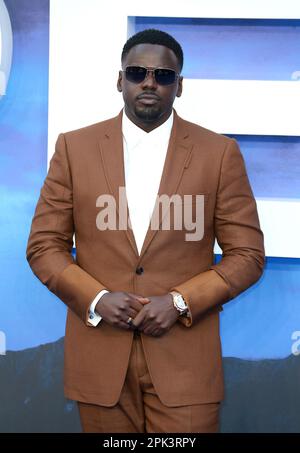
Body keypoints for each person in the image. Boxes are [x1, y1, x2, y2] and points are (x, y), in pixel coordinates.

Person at [26, 29, 265, 433]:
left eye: (163, 75)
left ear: (180, 85)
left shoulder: (219, 153)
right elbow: (44, 246)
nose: (150, 82)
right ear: (120, 80)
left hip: (185, 363)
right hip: (101, 361)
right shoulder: (74, 148)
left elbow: (248, 256)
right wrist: (97, 298)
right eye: (137, 72)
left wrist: (178, 303)